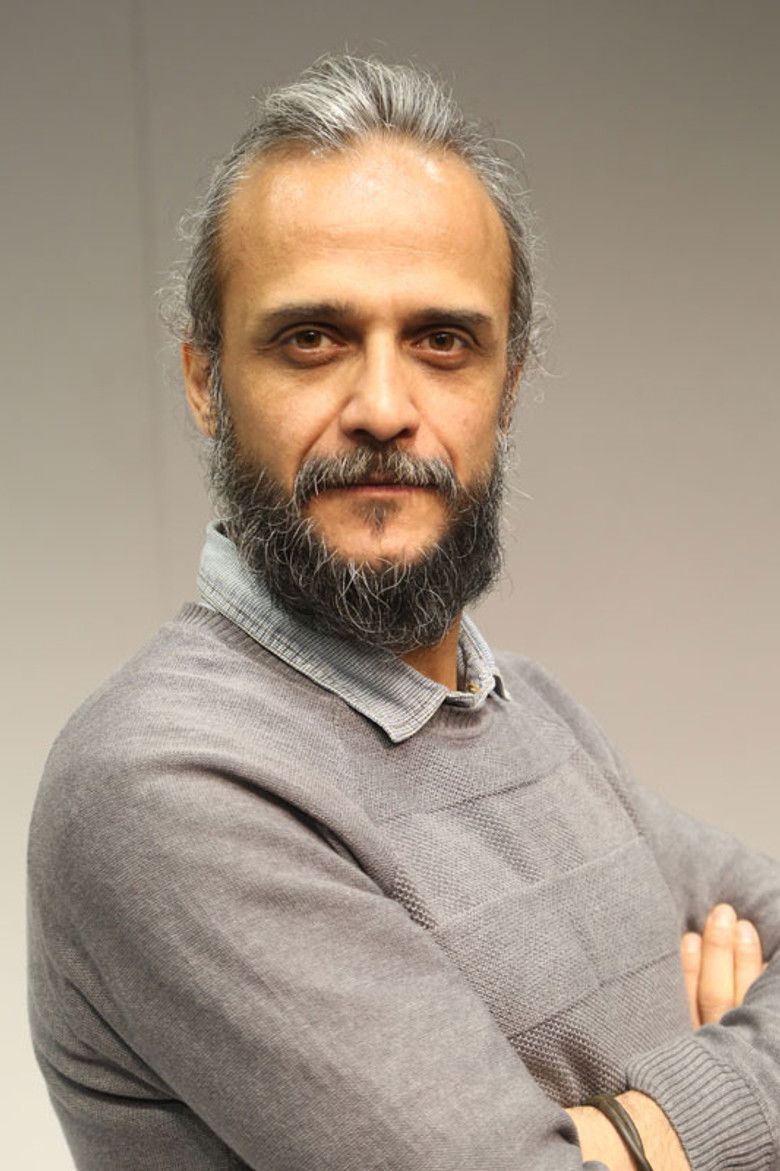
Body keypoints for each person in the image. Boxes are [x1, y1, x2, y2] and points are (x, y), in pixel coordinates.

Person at [27, 55, 779, 1171]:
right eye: (311, 338)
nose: (383, 407)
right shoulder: (161, 783)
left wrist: (636, 1134)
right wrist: (721, 1083)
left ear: (507, 385)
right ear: (205, 381)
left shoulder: (531, 713)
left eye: (442, 341)